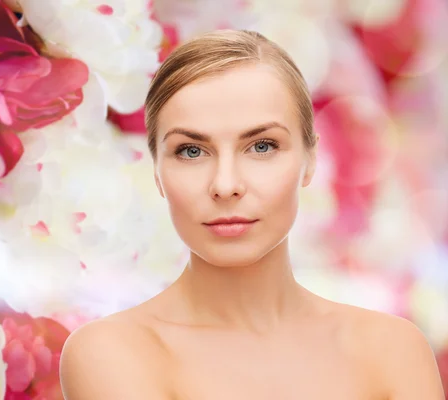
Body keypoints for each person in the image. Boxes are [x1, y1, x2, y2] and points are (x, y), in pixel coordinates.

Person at [59, 30, 445, 399]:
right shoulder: (109, 352)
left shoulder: (393, 350)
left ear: (311, 161)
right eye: (191, 151)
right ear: (157, 170)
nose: (225, 185)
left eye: (262, 146)